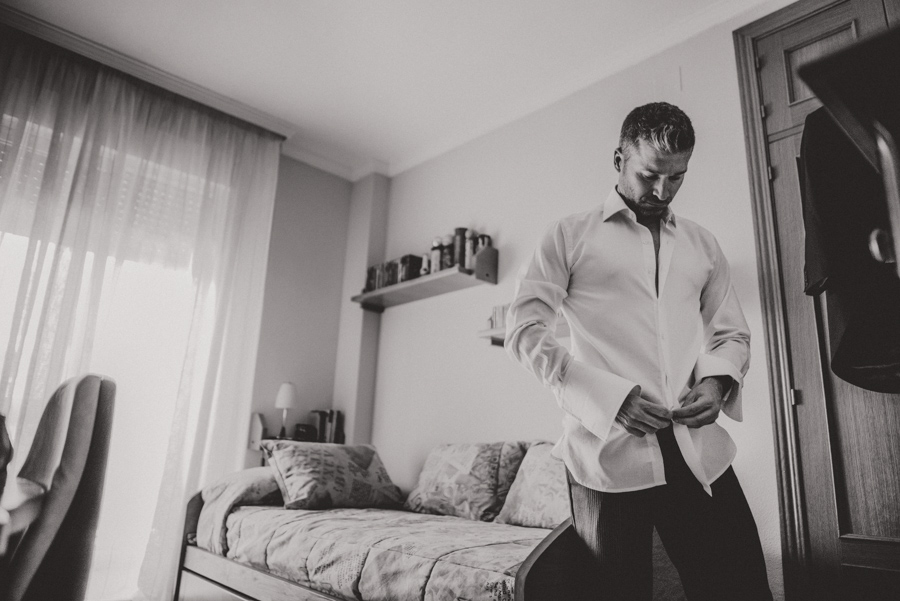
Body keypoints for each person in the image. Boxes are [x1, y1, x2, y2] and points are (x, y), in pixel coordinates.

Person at [505, 102, 772, 601]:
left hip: (698, 451)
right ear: (619, 160)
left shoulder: (703, 245)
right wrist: (610, 400)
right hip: (605, 454)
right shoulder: (568, 236)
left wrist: (717, 383)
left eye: (677, 179)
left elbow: (732, 332)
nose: (662, 192)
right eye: (650, 175)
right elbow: (524, 329)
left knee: (739, 588)